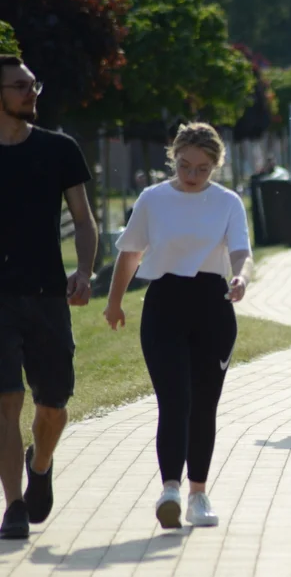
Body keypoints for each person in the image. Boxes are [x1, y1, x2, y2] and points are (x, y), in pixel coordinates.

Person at [104, 123, 252, 529]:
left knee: (204, 405)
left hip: (213, 308)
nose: (192, 175)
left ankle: (198, 494)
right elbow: (130, 254)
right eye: (185, 165)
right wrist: (114, 302)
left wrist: (240, 278)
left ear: (215, 166)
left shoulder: (227, 202)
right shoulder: (153, 199)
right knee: (174, 401)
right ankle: (170, 488)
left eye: (202, 169)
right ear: (174, 157)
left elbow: (242, 252)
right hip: (164, 306)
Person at [0, 55, 97, 540]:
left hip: (46, 293)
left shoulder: (59, 149)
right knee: (5, 398)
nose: (30, 93)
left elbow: (82, 219)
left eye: (33, 84)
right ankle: (14, 504)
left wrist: (83, 269)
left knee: (54, 402)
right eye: (19, 86)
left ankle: (40, 464)